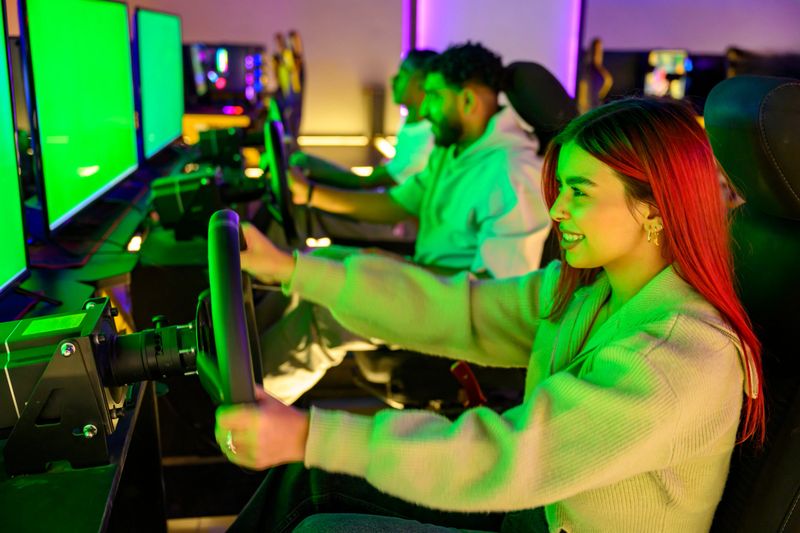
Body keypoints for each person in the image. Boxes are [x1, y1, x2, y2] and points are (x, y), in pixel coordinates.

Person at [216, 97, 765, 532]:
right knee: (302, 483)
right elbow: (463, 311)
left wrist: (310, 433)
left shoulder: (678, 357)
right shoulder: (592, 292)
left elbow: (515, 456)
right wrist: (294, 269)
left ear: (653, 208)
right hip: (539, 511)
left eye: (577, 192)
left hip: (544, 510)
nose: (555, 211)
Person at [259, 42, 552, 404]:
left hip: (462, 312)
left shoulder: (512, 174)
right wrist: (311, 196)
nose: (424, 110)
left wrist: (396, 268)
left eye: (432, 96)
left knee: (327, 312)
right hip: (433, 286)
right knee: (321, 262)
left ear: (467, 101)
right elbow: (396, 203)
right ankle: (241, 360)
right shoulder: (455, 150)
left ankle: (252, 405)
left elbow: (499, 295)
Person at [290, 49, 437, 189]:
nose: (393, 80)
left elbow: (368, 182)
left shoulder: (426, 139)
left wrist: (309, 171)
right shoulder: (411, 124)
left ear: (422, 83)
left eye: (403, 74)